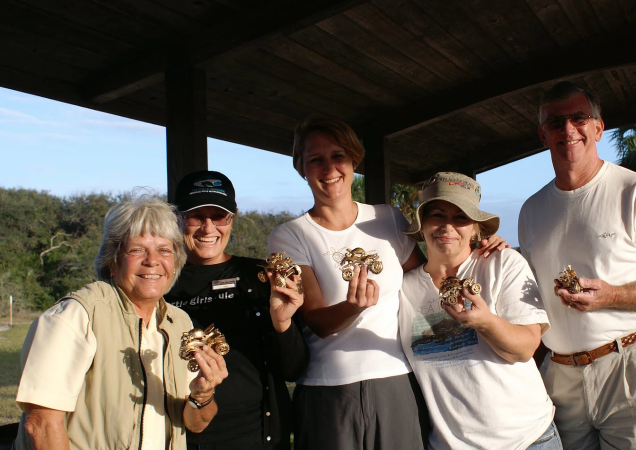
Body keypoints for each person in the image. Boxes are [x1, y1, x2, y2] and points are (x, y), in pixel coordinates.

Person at [268, 116, 507, 450]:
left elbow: (432, 278)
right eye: (315, 160)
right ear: (301, 168)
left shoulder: (388, 218)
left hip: (396, 381)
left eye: (338, 156)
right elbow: (316, 319)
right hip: (328, 389)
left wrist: (481, 243)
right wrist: (353, 307)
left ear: (353, 160)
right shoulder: (290, 235)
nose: (329, 168)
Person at [518, 81, 636, 450]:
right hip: (561, 378)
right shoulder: (531, 210)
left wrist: (611, 295)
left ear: (598, 127)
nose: (568, 129)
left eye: (579, 118)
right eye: (555, 122)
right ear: (542, 134)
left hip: (633, 365)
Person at [14, 193, 228, 450]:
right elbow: (41, 425)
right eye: (137, 250)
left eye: (164, 250)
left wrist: (203, 395)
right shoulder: (77, 316)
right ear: (113, 261)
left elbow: (195, 424)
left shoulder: (179, 322)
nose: (152, 261)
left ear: (176, 262)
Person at [399, 172, 561, 450]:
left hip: (528, 440)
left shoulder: (504, 263)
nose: (448, 226)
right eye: (437, 215)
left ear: (475, 229)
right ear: (422, 225)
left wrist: (485, 322)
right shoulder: (403, 288)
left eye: (461, 217)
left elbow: (526, 347)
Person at [165, 170, 309, 450]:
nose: (208, 228)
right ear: (178, 218)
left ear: (232, 217)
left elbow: (294, 370)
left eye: (218, 216)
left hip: (261, 437)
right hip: (185, 437)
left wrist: (282, 323)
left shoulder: (262, 276)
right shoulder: (162, 281)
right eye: (196, 216)